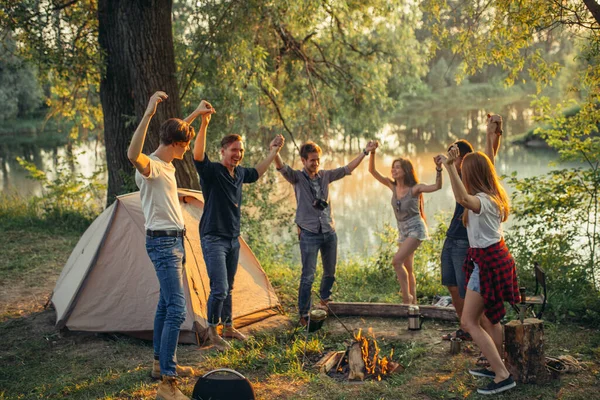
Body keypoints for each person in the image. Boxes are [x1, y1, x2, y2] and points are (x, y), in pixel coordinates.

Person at [128, 91, 212, 400]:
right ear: (176, 145)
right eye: (186, 144)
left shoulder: (165, 159)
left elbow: (175, 134)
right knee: (177, 309)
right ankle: (168, 382)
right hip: (163, 244)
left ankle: (158, 364)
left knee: (166, 305)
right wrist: (149, 112)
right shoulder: (149, 167)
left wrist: (194, 114)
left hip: (174, 240)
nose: (187, 149)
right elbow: (131, 155)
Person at [193, 110, 284, 351]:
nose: (238, 154)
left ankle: (229, 326)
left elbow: (256, 172)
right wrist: (204, 123)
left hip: (233, 239)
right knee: (219, 287)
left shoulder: (240, 173)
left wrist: (274, 151)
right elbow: (198, 155)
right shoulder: (212, 172)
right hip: (213, 238)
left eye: (240, 150)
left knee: (229, 287)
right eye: (234, 150)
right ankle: (212, 331)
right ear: (222, 151)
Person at [440, 141, 520, 395]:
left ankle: (502, 375)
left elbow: (462, 198)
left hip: (488, 263)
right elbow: (462, 196)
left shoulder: (483, 201)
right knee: (489, 318)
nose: (461, 173)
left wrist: (450, 166)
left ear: (472, 174)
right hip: (491, 259)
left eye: (464, 171)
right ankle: (498, 365)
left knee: (469, 321)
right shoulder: (490, 197)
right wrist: (452, 168)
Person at [274, 140, 377, 325]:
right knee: (308, 275)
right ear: (304, 161)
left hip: (329, 230)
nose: (316, 163)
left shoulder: (325, 176)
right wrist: (275, 150)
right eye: (312, 160)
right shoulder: (296, 177)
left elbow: (347, 168)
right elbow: (281, 167)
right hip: (309, 232)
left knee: (330, 272)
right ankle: (304, 314)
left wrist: (365, 152)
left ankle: (324, 301)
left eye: (317, 160)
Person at [441, 114, 503, 342]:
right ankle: (466, 328)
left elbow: (490, 161)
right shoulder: (460, 175)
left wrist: (492, 135)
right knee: (451, 284)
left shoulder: (476, 180)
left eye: (455, 155)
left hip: (466, 243)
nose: (453, 159)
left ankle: (480, 332)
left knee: (470, 293)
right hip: (451, 237)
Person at [368, 143, 443, 304]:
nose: (393, 170)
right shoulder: (392, 186)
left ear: (406, 171)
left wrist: (438, 169)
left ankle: (406, 299)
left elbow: (437, 186)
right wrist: (373, 152)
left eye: (397, 168)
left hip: (416, 229)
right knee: (408, 269)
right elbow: (372, 171)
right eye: (393, 167)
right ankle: (414, 304)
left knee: (397, 261)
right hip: (402, 231)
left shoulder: (415, 188)